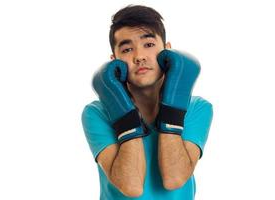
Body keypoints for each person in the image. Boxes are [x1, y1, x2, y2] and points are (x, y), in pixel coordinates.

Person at [81, 4, 213, 200]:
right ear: (114, 60)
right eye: (127, 49)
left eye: (149, 45)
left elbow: (174, 179)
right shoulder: (97, 113)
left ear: (167, 50)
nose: (139, 56)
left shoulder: (197, 108)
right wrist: (121, 110)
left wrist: (173, 108)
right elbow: (131, 186)